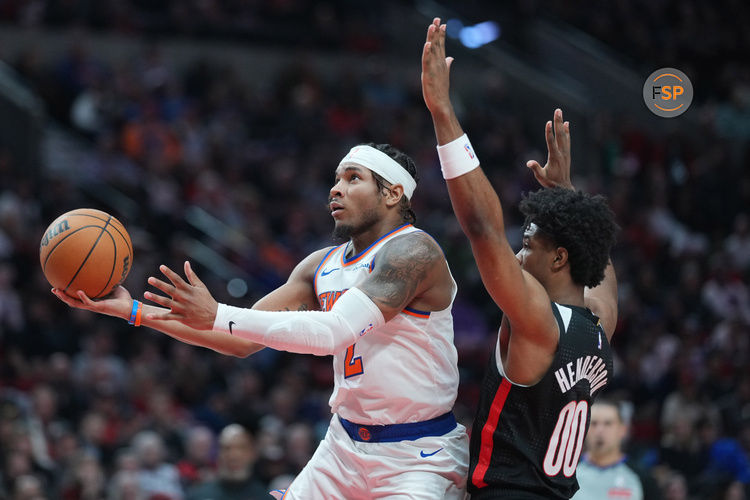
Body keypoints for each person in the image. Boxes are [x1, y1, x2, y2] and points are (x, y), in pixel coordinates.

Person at [53, 142, 469, 498]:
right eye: (336, 178)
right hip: (343, 446)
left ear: (393, 193)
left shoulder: (415, 253)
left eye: (353, 178)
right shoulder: (319, 266)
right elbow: (239, 338)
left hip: (419, 452)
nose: (335, 189)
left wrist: (218, 312)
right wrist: (133, 311)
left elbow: (333, 332)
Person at [422, 17, 619, 499]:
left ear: (559, 260)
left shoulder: (537, 322)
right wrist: (566, 195)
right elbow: (598, 264)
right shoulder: (600, 324)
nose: (517, 252)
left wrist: (443, 113)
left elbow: (481, 227)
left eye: (529, 244)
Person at [572, 399, 648, 500]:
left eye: (608, 424)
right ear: (584, 428)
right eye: (594, 423)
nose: (600, 430)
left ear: (623, 430)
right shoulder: (567, 473)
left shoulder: (641, 477)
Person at [186, 424, 267, 500]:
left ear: (252, 454)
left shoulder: (264, 497)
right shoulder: (199, 496)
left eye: (241, 448)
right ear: (217, 454)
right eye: (227, 448)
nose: (233, 456)